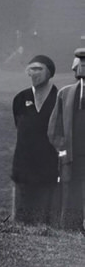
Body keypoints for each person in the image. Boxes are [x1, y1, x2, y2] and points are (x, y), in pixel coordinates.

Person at [10, 55, 59, 225]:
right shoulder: (20, 98)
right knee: (21, 219)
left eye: (40, 69)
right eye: (32, 69)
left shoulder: (59, 99)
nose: (35, 73)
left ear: (49, 72)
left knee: (45, 218)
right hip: (23, 166)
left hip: (49, 167)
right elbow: (20, 127)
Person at [48, 47, 85, 232]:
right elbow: (54, 129)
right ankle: (71, 227)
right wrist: (62, 150)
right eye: (82, 62)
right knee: (71, 191)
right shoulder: (65, 94)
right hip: (72, 155)